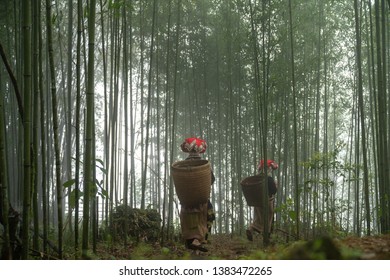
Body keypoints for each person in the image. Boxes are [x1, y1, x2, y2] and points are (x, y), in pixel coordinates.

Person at [179, 137, 215, 252]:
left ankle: (190, 243)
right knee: (209, 216)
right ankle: (199, 240)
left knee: (188, 221)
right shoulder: (204, 165)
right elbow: (212, 180)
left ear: (188, 150)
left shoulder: (182, 166)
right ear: (199, 151)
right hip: (201, 200)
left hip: (186, 201)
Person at [246, 159, 278, 241]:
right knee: (268, 219)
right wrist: (276, 186)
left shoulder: (257, 179)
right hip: (267, 202)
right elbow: (273, 191)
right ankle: (266, 237)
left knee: (258, 218)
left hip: (257, 203)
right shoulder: (268, 179)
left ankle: (251, 229)